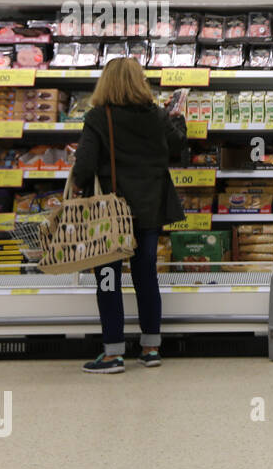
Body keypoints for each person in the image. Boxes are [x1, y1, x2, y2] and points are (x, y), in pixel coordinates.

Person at [72, 57, 187, 374]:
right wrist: (179, 117)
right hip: (150, 207)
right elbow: (178, 144)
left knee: (108, 280)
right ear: (140, 81)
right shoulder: (158, 115)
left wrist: (76, 184)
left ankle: (112, 354)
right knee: (146, 276)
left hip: (111, 213)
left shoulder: (98, 116)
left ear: (106, 82)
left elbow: (84, 165)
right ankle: (151, 348)